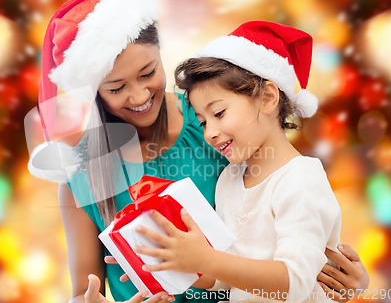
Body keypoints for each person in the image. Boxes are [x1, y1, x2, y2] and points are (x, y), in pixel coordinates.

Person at [25, 0, 369, 302]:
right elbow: (82, 293)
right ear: (93, 91)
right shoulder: (82, 174)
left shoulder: (215, 118)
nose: (140, 96)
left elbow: (289, 207)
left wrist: (339, 278)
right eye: (116, 88)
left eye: (148, 73)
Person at [132, 21, 367, 302]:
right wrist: (174, 260)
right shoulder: (229, 179)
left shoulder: (300, 180)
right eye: (203, 122)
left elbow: (295, 283)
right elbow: (228, 276)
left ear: (268, 98)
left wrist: (207, 260)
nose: (210, 133)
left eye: (219, 113)